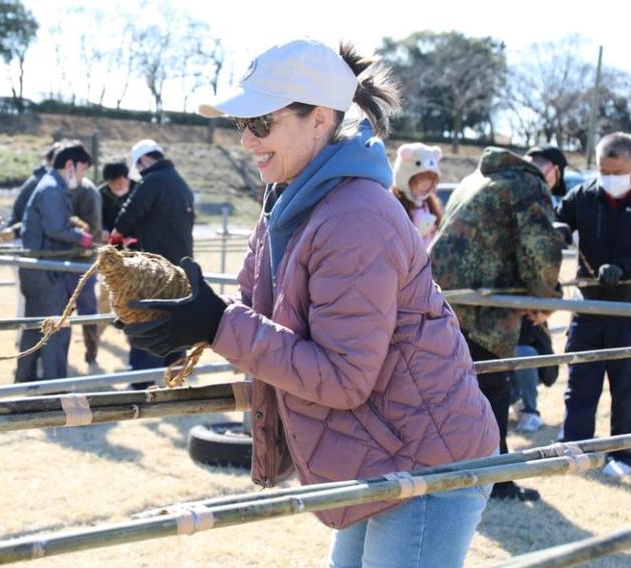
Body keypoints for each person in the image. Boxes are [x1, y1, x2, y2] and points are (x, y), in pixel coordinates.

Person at [122, 39, 498, 567]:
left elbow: (343, 376)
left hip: (428, 462)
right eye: (242, 125)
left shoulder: (355, 217)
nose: (248, 140)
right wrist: (192, 317)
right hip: (384, 450)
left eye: (261, 123)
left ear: (320, 119)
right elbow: (252, 316)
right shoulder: (287, 202)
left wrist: (218, 323)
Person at [430, 144, 566, 500]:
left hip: (442, 302)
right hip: (483, 307)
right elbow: (540, 249)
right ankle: (496, 483)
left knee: (456, 392)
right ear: (551, 170)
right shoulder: (527, 183)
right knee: (491, 392)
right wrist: (546, 300)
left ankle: (466, 478)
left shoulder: (476, 179)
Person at [556, 132, 631, 478]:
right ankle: (574, 449)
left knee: (626, 387)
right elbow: (560, 219)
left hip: (626, 313)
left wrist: (624, 268)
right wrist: (556, 229)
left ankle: (624, 455)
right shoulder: (583, 196)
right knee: (581, 380)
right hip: (588, 309)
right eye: (604, 170)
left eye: (617, 171)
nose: (610, 178)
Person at [112, 139, 195, 387]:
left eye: (139, 167)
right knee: (176, 325)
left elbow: (128, 214)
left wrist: (115, 239)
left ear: (144, 160)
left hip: (156, 271)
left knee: (148, 323)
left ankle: (140, 382)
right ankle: (173, 379)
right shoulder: (181, 184)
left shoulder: (152, 181)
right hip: (181, 269)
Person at [14, 141, 94, 382]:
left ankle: (25, 383)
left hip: (39, 272)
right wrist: (82, 238)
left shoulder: (51, 186)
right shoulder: (51, 189)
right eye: (82, 170)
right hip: (45, 275)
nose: (82, 177)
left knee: (34, 329)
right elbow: (55, 229)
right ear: (69, 165)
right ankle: (54, 389)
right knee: (55, 331)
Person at [67, 171, 103, 367]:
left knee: (87, 310)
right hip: (75, 258)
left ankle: (91, 353)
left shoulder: (87, 191)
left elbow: (94, 228)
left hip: (83, 260)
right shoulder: (75, 188)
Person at [391, 143, 444, 248]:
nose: (426, 184)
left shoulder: (429, 203)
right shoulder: (394, 204)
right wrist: (418, 234)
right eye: (421, 178)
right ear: (405, 176)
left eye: (430, 179)